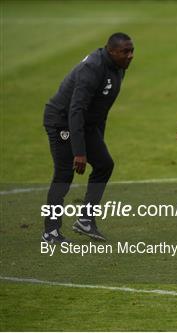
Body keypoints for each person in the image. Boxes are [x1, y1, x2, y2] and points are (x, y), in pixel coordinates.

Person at [41, 33, 134, 244]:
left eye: (132, 51)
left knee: (104, 164)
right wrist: (80, 151)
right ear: (111, 51)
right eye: (125, 52)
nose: (130, 56)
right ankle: (50, 231)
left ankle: (85, 219)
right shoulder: (92, 68)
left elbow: (101, 109)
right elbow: (76, 109)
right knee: (64, 174)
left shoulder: (118, 68)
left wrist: (98, 140)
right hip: (62, 121)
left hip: (87, 123)